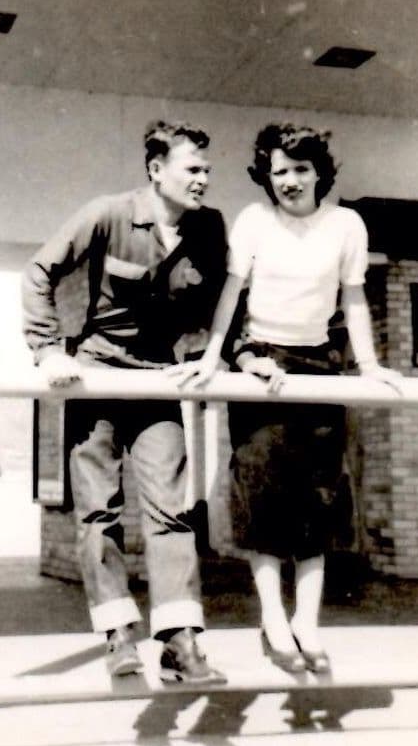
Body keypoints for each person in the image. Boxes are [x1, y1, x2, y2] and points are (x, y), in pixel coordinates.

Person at [170, 123, 400, 674]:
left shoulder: (346, 225)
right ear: (265, 179)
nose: (290, 182)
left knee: (318, 498)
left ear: (320, 172)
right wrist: (214, 357)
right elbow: (231, 293)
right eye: (279, 172)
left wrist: (368, 367)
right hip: (262, 362)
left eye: (300, 169)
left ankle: (308, 625)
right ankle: (274, 621)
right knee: (265, 494)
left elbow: (353, 299)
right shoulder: (255, 222)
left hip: (319, 361)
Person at [22, 120, 228, 685]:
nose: (203, 180)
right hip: (98, 379)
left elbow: (225, 300)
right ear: (156, 169)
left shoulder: (209, 228)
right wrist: (46, 350)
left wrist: (219, 354)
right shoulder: (108, 214)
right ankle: (118, 636)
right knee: (98, 511)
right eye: (193, 169)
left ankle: (181, 643)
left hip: (158, 381)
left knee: (171, 509)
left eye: (207, 170)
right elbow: (39, 271)